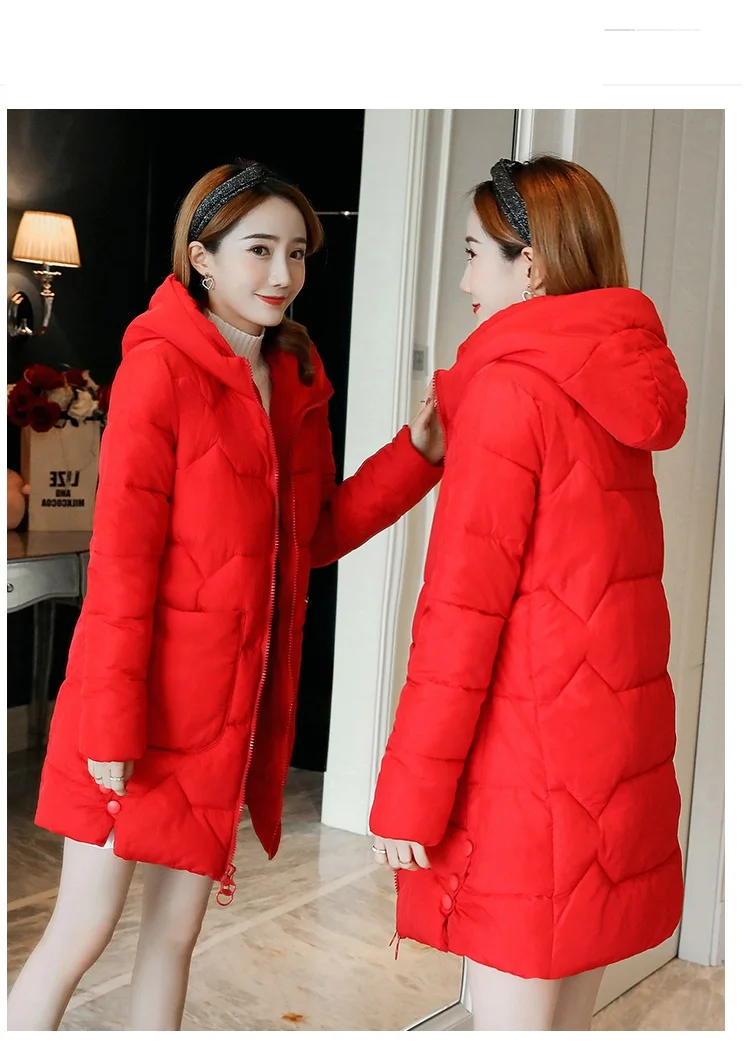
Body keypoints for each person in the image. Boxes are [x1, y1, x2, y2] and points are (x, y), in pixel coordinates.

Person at [8, 161, 444, 1032]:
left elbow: (311, 536)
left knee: (175, 938)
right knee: (83, 929)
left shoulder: (295, 373)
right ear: (201, 258)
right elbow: (123, 564)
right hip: (132, 710)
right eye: (259, 249)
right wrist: (109, 730)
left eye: (297, 252)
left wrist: (418, 455)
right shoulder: (158, 369)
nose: (282, 274)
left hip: (222, 719)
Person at [369, 155, 688, 1031]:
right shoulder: (614, 384)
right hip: (608, 763)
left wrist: (408, 798)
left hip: (528, 775)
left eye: (475, 255)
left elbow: (460, 618)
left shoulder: (510, 390)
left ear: (533, 265)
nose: (466, 282)